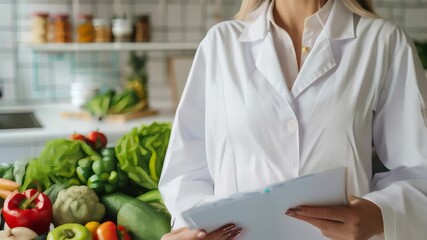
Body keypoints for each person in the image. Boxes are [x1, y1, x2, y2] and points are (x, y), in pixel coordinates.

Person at [159, 0, 427, 239]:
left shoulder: (383, 41)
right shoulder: (221, 44)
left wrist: (379, 214)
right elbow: (187, 172)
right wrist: (191, 230)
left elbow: (418, 170)